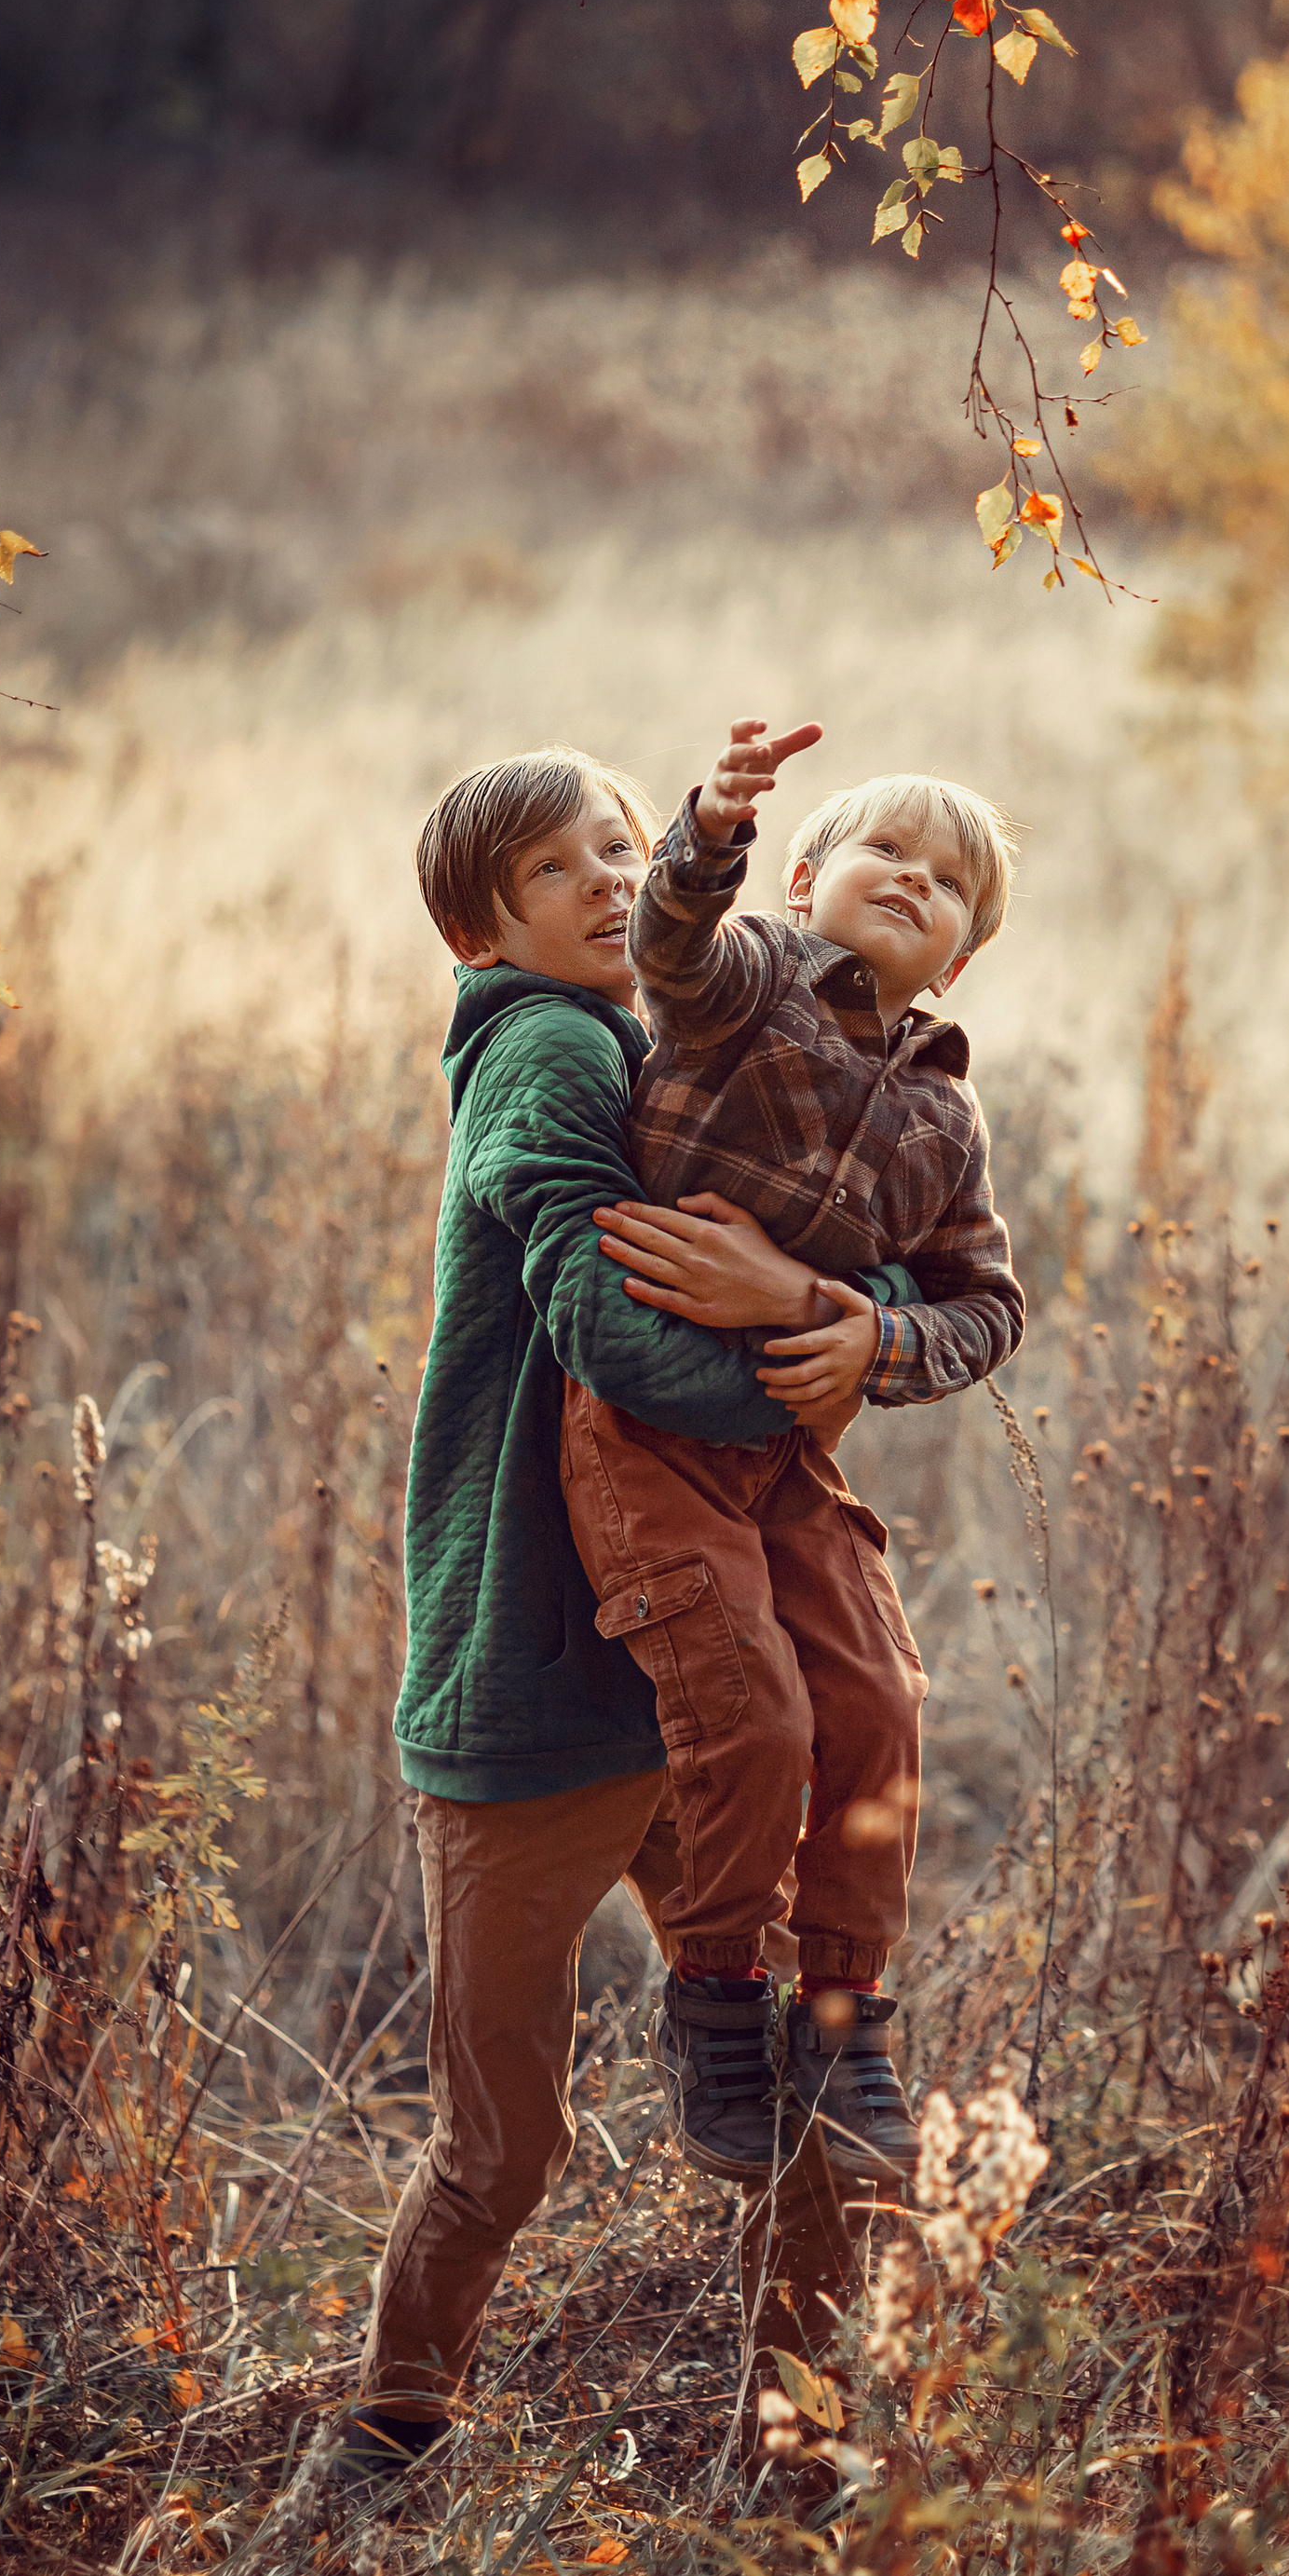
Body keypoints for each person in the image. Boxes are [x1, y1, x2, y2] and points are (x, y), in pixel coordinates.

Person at [347, 743, 915, 2487]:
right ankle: (386, 2440)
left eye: (615, 844)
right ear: (484, 934)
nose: (605, 883)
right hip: (538, 1675)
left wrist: (846, 1309)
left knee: (748, 2093)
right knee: (504, 2137)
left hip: (695, 1664)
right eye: (555, 873)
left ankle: (796, 2447)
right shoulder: (543, 1044)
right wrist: (808, 1375)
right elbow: (598, 1315)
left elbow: (870, 1230)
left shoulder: (680, 1035)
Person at [563, 715, 1024, 2198]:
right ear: (809, 875)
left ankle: (843, 2016)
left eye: (948, 882)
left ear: (957, 959)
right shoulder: (746, 985)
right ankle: (714, 2006)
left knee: (881, 1699)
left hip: (791, 1458)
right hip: (649, 1438)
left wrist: (869, 1340)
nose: (913, 878)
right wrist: (710, 828)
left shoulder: (947, 1115)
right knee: (751, 1713)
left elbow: (986, 1306)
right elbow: (672, 943)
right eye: (884, 848)